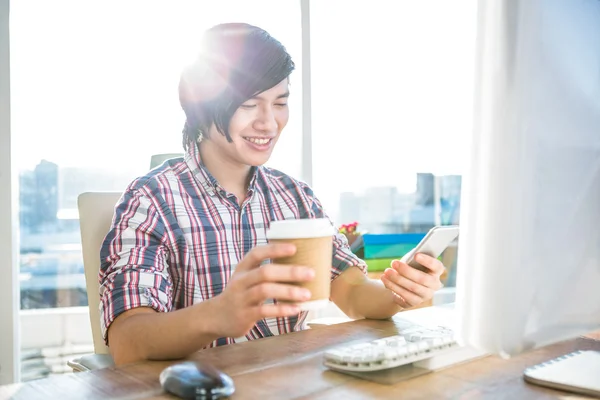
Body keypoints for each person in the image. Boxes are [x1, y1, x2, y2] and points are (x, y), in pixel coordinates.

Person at [99, 23, 445, 366]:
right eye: (249, 104)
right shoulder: (151, 199)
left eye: (280, 102)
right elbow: (128, 341)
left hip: (290, 383)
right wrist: (216, 316)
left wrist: (401, 289)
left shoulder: (294, 196)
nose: (269, 122)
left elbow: (352, 292)